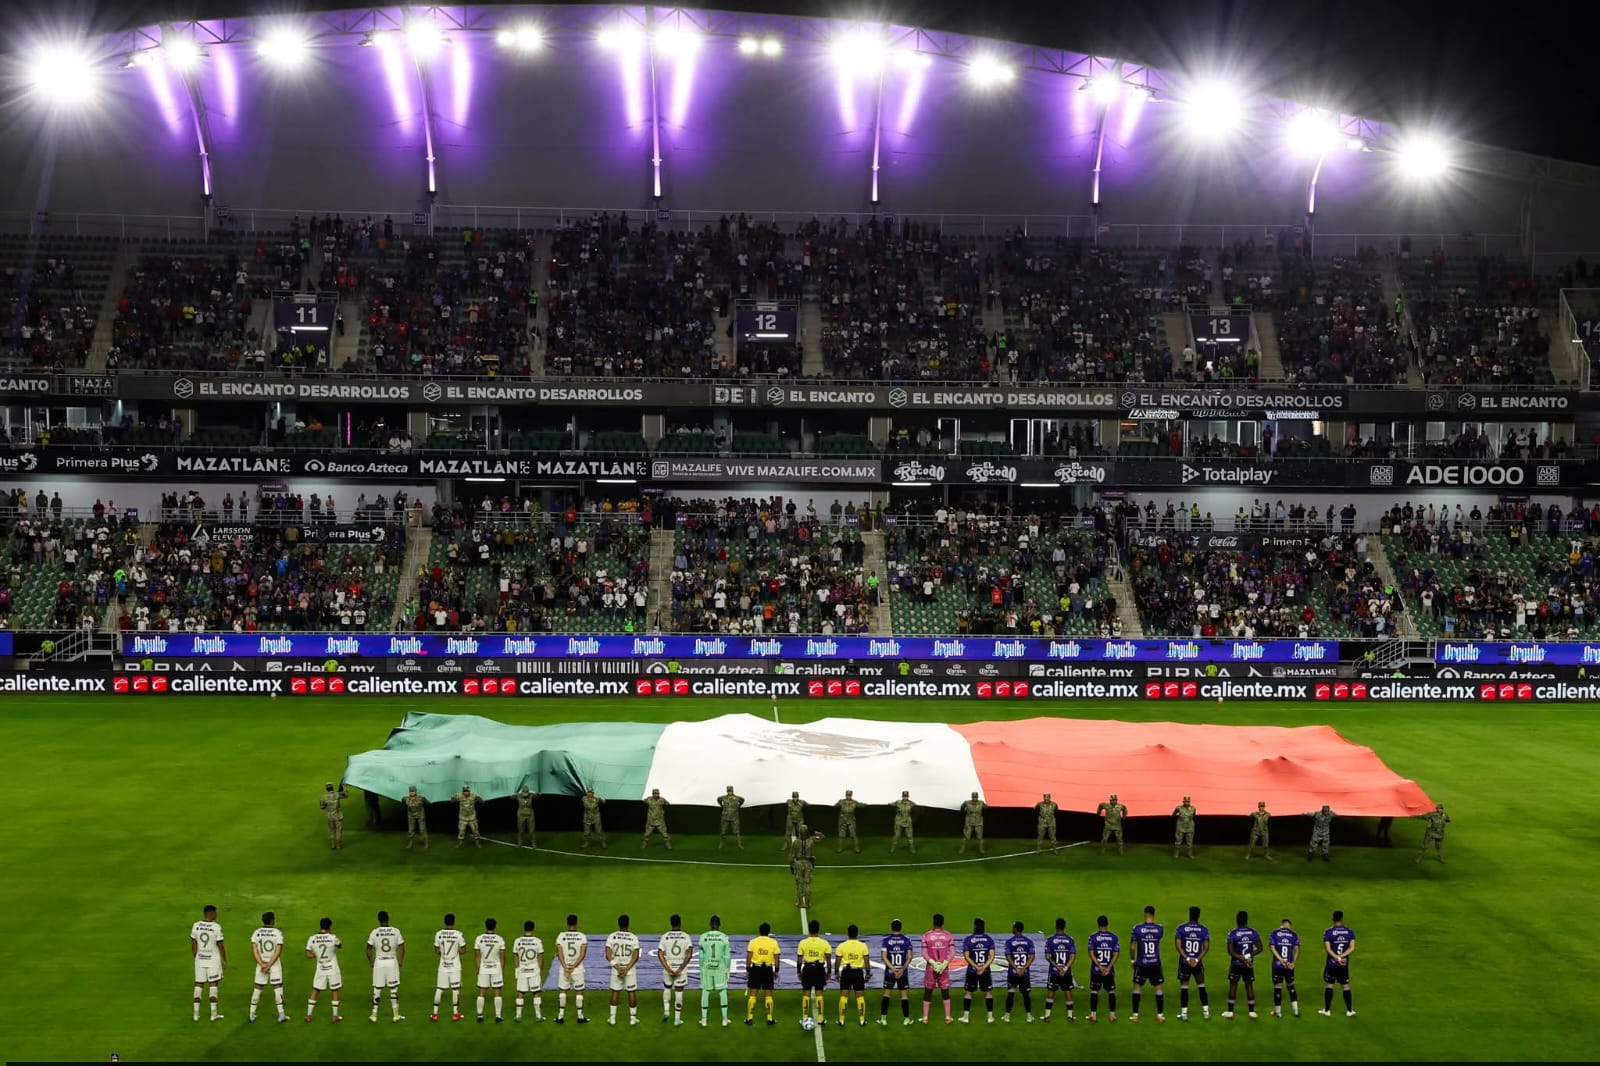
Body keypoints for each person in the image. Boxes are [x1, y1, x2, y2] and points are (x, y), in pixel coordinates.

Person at [248, 911, 289, 1024]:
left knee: (257, 988)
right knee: (277, 988)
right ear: (272, 920)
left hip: (261, 964)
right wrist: (269, 965)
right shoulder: (277, 933)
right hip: (274, 964)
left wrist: (262, 964)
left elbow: (255, 950)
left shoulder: (256, 933)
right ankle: (281, 1015)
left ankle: (251, 1014)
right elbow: (278, 951)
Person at [1174, 905, 1212, 1021]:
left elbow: (1178, 946)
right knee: (1201, 986)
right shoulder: (1204, 929)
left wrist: (1187, 958)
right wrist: (1196, 960)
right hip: (1197, 963)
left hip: (1185, 963)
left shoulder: (1181, 928)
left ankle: (1184, 1014)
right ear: (1198, 916)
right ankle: (1206, 1012)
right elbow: (1206, 948)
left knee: (1184, 987)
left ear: (1189, 915)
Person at [366, 910, 405, 1023]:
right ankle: (396, 1015)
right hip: (392, 962)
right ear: (388, 919)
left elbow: (368, 949)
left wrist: (371, 962)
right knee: (393, 989)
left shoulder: (374, 932)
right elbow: (402, 948)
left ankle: (374, 1015)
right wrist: (400, 961)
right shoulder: (395, 931)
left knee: (377, 989)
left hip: (379, 962)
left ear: (378, 920)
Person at [190, 903, 227, 1022]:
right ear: (211, 913)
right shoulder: (216, 927)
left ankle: (196, 1014)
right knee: (213, 984)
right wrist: (224, 959)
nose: (217, 914)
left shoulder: (196, 925)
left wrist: (197, 957)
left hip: (200, 959)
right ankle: (213, 1014)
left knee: (198, 984)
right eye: (215, 912)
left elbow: (194, 943)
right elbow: (221, 945)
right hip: (213, 960)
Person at [656, 914, 693, 1026]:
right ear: (680, 923)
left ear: (671, 923)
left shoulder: (665, 936)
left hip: (669, 968)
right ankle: (677, 1019)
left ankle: (667, 1011)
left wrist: (668, 968)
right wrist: (681, 968)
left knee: (667, 988)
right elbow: (689, 954)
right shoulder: (686, 936)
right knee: (679, 991)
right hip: (680, 969)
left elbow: (660, 954)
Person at [1130, 905, 1165, 1022]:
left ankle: (1135, 1015)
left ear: (1145, 914)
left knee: (1137, 987)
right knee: (1158, 988)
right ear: (1154, 915)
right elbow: (1158, 937)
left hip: (1142, 963)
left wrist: (1132, 960)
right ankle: (1160, 1016)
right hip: (1155, 962)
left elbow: (1132, 947)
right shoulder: (1159, 929)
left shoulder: (1137, 928)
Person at [1223, 910, 1261, 1019]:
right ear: (1246, 920)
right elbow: (1260, 948)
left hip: (1236, 964)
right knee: (1249, 985)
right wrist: (1248, 957)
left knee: (1233, 985)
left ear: (1237, 920)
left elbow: (1231, 951)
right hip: (1248, 964)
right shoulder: (1253, 932)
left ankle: (1230, 1012)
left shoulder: (1233, 933)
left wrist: (1242, 958)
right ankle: (1251, 1012)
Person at [304, 917, 343, 1022]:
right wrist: (331, 933)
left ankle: (308, 1015)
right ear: (330, 926)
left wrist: (315, 955)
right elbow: (340, 945)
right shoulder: (333, 937)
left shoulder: (312, 938)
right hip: (332, 968)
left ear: (320, 926)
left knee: (316, 989)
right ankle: (335, 1016)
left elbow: (308, 954)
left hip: (321, 968)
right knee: (334, 990)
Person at [605, 914, 641, 1025]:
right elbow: (636, 956)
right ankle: (633, 1019)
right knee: (631, 992)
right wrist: (626, 969)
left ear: (618, 924)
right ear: (628, 924)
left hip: (616, 969)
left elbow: (608, 955)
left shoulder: (612, 936)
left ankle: (612, 1018)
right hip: (629, 969)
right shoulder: (633, 937)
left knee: (615, 991)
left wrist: (617, 967)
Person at [554, 914, 590, 1024]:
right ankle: (580, 1017)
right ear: (576, 923)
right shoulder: (582, 936)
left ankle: (560, 1017)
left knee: (562, 991)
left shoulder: (561, 936)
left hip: (564, 969)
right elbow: (583, 954)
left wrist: (565, 966)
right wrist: (574, 966)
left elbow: (559, 953)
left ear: (567, 923)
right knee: (579, 992)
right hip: (577, 969)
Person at [960, 917, 997, 1024]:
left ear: (975, 926)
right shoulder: (989, 939)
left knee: (968, 992)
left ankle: (965, 1017)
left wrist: (976, 967)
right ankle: (990, 1017)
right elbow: (992, 956)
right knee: (988, 993)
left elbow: (967, 957)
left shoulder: (968, 939)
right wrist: (983, 967)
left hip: (972, 970)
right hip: (985, 971)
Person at [698, 915, 733, 1028]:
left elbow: (701, 955)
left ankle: (704, 1020)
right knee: (722, 990)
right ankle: (724, 1019)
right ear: (719, 925)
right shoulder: (724, 937)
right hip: (720, 968)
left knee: (705, 991)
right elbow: (727, 956)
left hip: (707, 967)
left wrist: (701, 966)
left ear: (710, 924)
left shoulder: (703, 937)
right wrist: (727, 968)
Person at [1320, 910, 1356, 1017]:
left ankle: (1327, 1010)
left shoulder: (1328, 932)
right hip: (1343, 964)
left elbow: (1328, 949)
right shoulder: (1349, 931)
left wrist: (1336, 957)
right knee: (1345, 985)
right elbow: (1352, 947)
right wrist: (1342, 957)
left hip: (1332, 963)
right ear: (1342, 919)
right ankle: (1349, 1011)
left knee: (1330, 984)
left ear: (1333, 919)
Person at [878, 918, 914, 1026]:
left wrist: (893, 969)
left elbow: (884, 957)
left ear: (891, 927)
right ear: (900, 927)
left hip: (890, 972)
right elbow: (909, 957)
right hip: (903, 973)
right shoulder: (907, 940)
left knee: (887, 994)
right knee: (904, 995)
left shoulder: (886, 940)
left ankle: (883, 1019)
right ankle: (906, 1019)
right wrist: (901, 970)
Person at [920, 913, 955, 1024]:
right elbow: (952, 952)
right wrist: (944, 963)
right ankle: (948, 1017)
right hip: (944, 968)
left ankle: (925, 1018)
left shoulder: (927, 936)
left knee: (928, 991)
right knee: (945, 991)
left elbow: (924, 953)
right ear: (943, 923)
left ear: (933, 922)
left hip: (931, 968)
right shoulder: (948, 935)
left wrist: (933, 963)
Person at [797, 918, 833, 1026]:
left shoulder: (803, 942)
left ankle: (804, 1018)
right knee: (819, 993)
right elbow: (828, 959)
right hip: (819, 969)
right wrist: (829, 972)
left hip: (808, 969)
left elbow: (799, 959)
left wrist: (799, 971)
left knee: (806, 993)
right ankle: (821, 1018)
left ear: (809, 929)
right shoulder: (824, 943)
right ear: (818, 929)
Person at [431, 914, 466, 1021]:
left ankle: (435, 1013)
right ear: (454, 922)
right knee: (455, 989)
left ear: (444, 922)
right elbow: (463, 950)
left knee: (439, 989)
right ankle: (455, 1014)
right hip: (455, 966)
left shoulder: (438, 934)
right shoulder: (458, 934)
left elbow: (437, 950)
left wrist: (444, 953)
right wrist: (456, 950)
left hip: (443, 966)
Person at [745, 921, 780, 1025]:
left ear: (759, 931)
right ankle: (770, 1019)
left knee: (753, 994)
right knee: (768, 995)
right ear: (768, 931)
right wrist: (776, 970)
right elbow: (777, 957)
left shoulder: (753, 942)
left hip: (756, 969)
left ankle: (749, 1018)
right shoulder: (773, 942)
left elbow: (749, 956)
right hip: (767, 969)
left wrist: (748, 968)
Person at [836, 924, 871, 1027]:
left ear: (848, 934)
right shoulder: (863, 945)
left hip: (846, 972)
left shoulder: (842, 945)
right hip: (858, 973)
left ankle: (841, 1020)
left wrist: (836, 973)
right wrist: (868, 973)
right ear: (857, 934)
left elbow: (838, 961)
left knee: (844, 996)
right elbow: (867, 961)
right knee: (860, 996)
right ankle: (862, 1020)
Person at [1041, 918, 1076, 1022]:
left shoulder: (1050, 939)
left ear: (1055, 926)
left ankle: (1047, 1016)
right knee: (1067, 991)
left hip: (1054, 971)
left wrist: (1057, 967)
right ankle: (1070, 1016)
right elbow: (1072, 957)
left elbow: (1047, 956)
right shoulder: (1070, 939)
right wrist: (1064, 968)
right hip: (1066, 972)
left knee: (1051, 992)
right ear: (1064, 926)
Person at [1086, 915, 1120, 1022]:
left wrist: (1099, 966)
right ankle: (1112, 1015)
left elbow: (1091, 953)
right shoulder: (1114, 937)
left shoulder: (1093, 937)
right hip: (1109, 970)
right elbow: (1116, 954)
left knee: (1094, 991)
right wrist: (1108, 967)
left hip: (1096, 970)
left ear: (1098, 924)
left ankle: (1093, 1015)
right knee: (1111, 991)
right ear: (1107, 924)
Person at [512, 920, 545, 1023]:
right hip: (534, 970)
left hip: (522, 970)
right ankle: (538, 1016)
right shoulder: (537, 941)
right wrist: (539, 970)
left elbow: (515, 955)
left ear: (524, 928)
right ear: (533, 928)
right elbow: (541, 957)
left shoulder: (517, 941)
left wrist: (517, 969)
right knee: (536, 992)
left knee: (520, 992)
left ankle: (518, 1016)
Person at [474, 918, 506, 1022]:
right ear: (495, 926)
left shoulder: (479, 938)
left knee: (482, 992)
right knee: (497, 992)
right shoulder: (499, 939)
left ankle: (480, 1015)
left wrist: (478, 968)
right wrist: (502, 970)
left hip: (483, 967)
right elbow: (502, 957)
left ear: (486, 926)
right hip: (496, 968)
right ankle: (498, 1016)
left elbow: (477, 956)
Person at [1002, 921, 1035, 1023]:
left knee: (1011, 993)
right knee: (1026, 995)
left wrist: (1016, 968)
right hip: (1024, 973)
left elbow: (1008, 957)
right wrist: (1023, 968)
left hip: (1013, 973)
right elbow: (1032, 957)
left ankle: (1007, 1016)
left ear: (1015, 929)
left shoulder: (1009, 942)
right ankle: (1029, 1016)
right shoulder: (1029, 942)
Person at [1268, 918, 1300, 1018]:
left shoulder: (1274, 933)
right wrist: (1293, 962)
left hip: (1278, 965)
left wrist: (1281, 960)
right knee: (1291, 987)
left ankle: (1278, 1012)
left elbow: (1272, 948)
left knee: (1278, 988)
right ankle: (1296, 1011)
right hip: (1289, 965)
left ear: (1281, 925)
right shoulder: (1293, 934)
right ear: (1289, 926)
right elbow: (1297, 949)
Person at [320, 782, 347, 851]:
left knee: (332, 830)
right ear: (332, 788)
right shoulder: (337, 794)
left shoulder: (323, 797)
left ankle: (333, 845)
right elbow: (346, 795)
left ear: (326, 789)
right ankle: (338, 845)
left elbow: (322, 807)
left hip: (329, 816)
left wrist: (327, 805)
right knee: (338, 830)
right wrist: (344, 787)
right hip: (338, 815)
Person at [514, 785, 538, 850]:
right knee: (520, 831)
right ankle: (519, 843)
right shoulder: (518, 796)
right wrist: (516, 792)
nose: (525, 795)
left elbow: (538, 794)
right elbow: (511, 796)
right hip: (521, 815)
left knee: (531, 831)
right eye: (524, 793)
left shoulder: (531, 795)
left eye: (526, 793)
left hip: (530, 815)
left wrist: (532, 792)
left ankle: (533, 843)